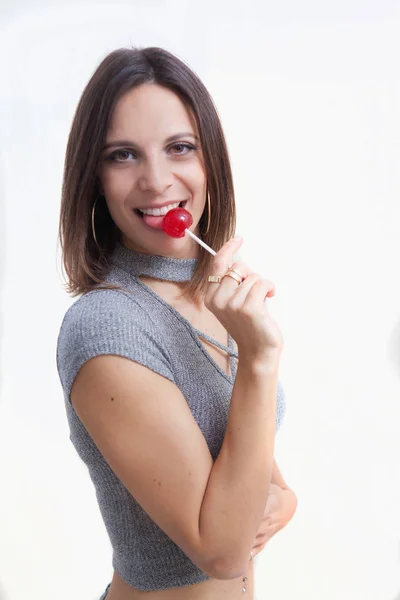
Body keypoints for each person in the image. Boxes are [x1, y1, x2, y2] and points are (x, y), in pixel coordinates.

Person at [56, 47, 297, 600]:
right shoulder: (106, 327)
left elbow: (255, 469)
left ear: (209, 158)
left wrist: (285, 499)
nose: (157, 180)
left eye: (179, 148)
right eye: (123, 156)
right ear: (94, 177)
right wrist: (258, 360)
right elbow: (222, 549)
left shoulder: (210, 297)